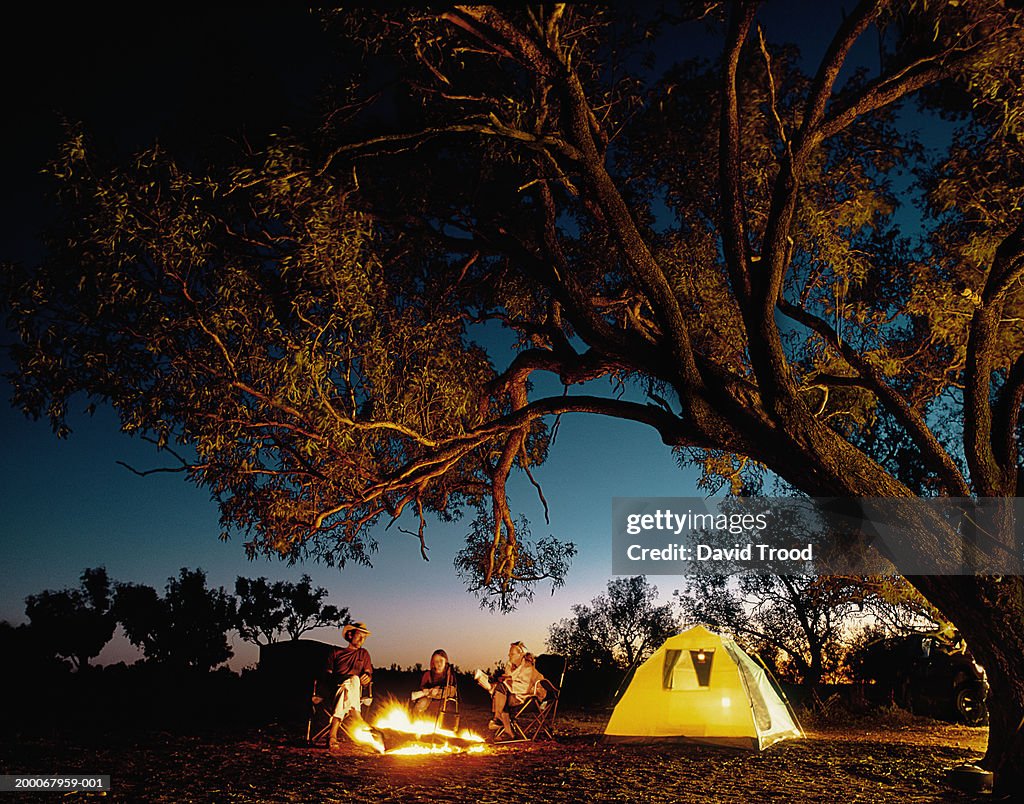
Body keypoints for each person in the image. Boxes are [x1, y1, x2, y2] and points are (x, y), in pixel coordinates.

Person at [476, 641, 545, 740]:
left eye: (512, 653)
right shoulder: (510, 668)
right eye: (509, 653)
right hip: (514, 697)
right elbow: (512, 682)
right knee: (501, 692)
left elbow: (524, 688)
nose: (509, 655)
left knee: (500, 691)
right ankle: (507, 730)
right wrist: (505, 680)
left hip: (532, 699)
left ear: (521, 654)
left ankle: (498, 719)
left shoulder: (528, 668)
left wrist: (507, 682)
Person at [325, 621, 373, 751]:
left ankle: (332, 735)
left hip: (352, 691)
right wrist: (340, 681)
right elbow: (327, 676)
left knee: (354, 680)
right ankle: (356, 715)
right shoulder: (335, 652)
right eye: (359, 636)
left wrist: (367, 677)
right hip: (335, 688)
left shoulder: (364, 654)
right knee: (349, 683)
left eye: (364, 638)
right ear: (350, 635)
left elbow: (368, 673)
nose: (362, 640)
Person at [411, 649, 457, 716]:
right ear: (433, 663)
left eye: (441, 661)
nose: (439, 664)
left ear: (445, 661)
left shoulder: (449, 675)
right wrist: (426, 690)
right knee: (423, 702)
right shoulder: (428, 674)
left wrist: (438, 690)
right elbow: (422, 687)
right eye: (436, 661)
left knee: (452, 690)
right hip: (428, 696)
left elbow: (451, 691)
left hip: (442, 694)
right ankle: (414, 718)